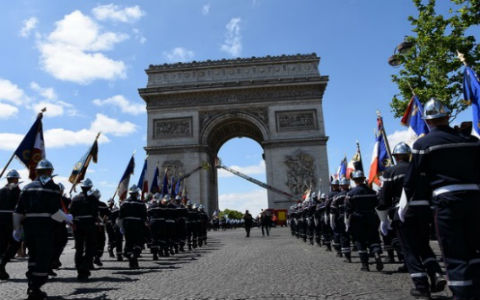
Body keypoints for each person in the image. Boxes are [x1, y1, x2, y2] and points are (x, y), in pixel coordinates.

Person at [402, 98, 480, 300]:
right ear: (447, 116)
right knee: (474, 248)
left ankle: (462, 294)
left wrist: (405, 206)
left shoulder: (423, 144)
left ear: (427, 121)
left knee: (455, 252)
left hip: (446, 203)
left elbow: (412, 180)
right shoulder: (471, 141)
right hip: (475, 200)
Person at [13, 159, 73, 300]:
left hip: (29, 228)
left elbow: (18, 211)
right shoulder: (52, 188)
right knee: (43, 258)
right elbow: (54, 212)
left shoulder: (27, 188)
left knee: (33, 257)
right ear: (50, 171)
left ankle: (31, 285)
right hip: (45, 227)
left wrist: (16, 229)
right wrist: (67, 218)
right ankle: (35, 288)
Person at [345, 170, 383, 272]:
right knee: (374, 238)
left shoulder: (350, 194)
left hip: (358, 219)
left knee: (360, 241)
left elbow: (348, 210)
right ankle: (376, 253)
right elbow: (378, 205)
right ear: (363, 179)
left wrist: (348, 224)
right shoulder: (373, 192)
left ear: (355, 180)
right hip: (371, 217)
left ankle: (365, 265)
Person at [69, 178, 99, 281]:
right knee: (90, 247)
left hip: (78, 225)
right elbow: (95, 213)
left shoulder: (75, 198)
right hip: (89, 225)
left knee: (79, 249)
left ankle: (79, 269)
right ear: (90, 187)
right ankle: (85, 267)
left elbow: (71, 212)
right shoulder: (93, 199)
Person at [0, 169, 22, 280]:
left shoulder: (1, 190)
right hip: (13, 220)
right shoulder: (17, 191)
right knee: (16, 243)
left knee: (2, 245)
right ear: (14, 179)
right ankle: (2, 263)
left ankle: (2, 265)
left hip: (1, 220)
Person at [118, 185, 147, 268]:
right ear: (136, 193)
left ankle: (131, 258)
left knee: (129, 243)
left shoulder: (124, 203)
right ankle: (134, 257)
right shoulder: (141, 203)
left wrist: (121, 227)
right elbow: (144, 216)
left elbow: (120, 216)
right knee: (138, 243)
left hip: (127, 225)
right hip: (138, 225)